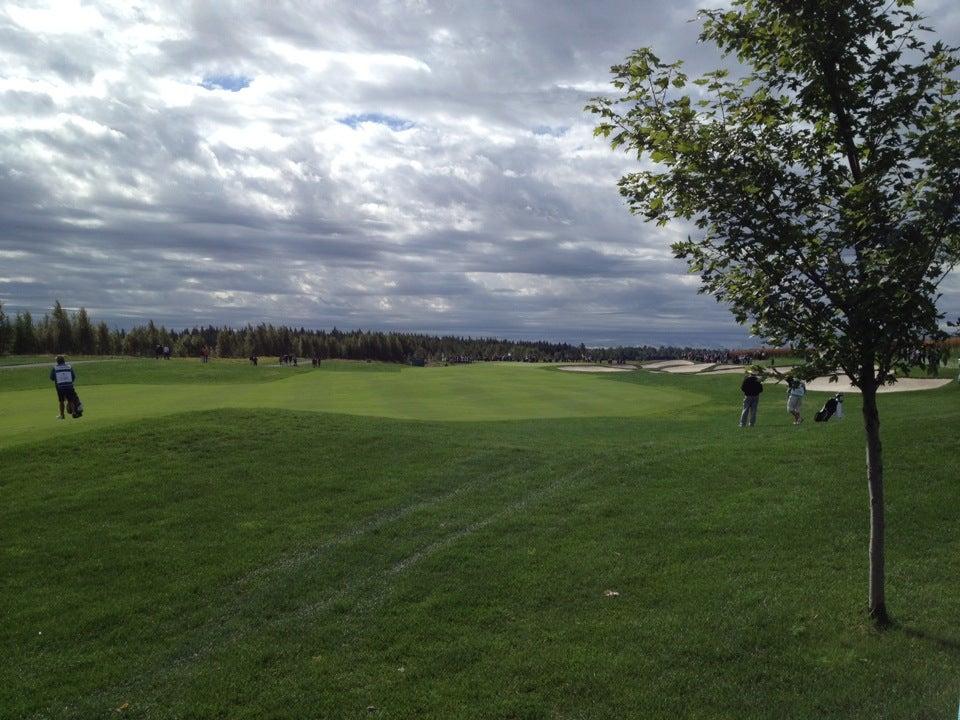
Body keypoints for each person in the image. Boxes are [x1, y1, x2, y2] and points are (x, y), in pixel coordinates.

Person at [50, 355, 83, 420]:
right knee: (70, 400)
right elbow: (73, 377)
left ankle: (62, 415)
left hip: (60, 387)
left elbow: (51, 378)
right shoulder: (69, 367)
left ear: (57, 361)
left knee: (61, 401)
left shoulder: (55, 368)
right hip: (69, 386)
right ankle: (74, 413)